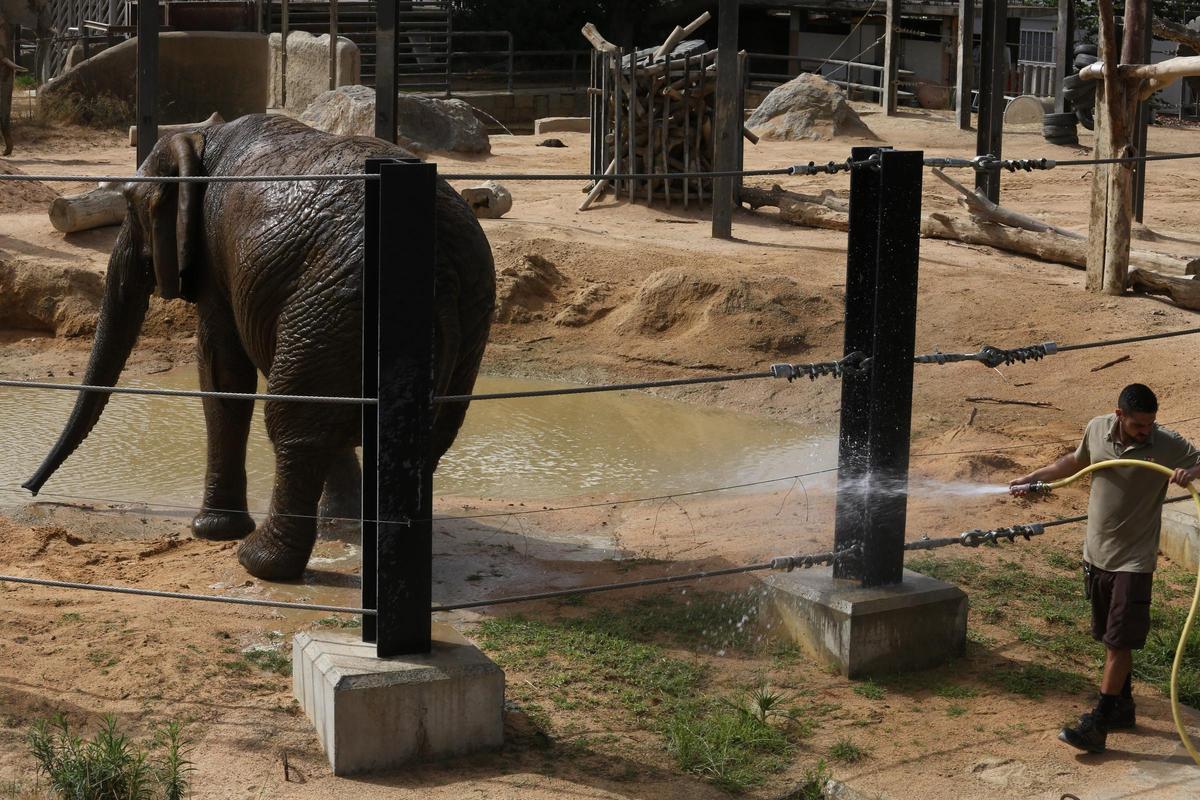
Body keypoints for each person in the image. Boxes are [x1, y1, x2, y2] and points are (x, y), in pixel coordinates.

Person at [1009, 383, 1200, 754]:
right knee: (1108, 637)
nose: (1146, 431)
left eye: (1150, 424)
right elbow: (1074, 462)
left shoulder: (1165, 442)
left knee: (1118, 641)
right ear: (1119, 416)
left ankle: (1098, 722)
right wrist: (1034, 477)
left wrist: (1190, 471)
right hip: (1096, 556)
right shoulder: (1097, 429)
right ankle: (1123, 707)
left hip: (1134, 561)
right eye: (1138, 426)